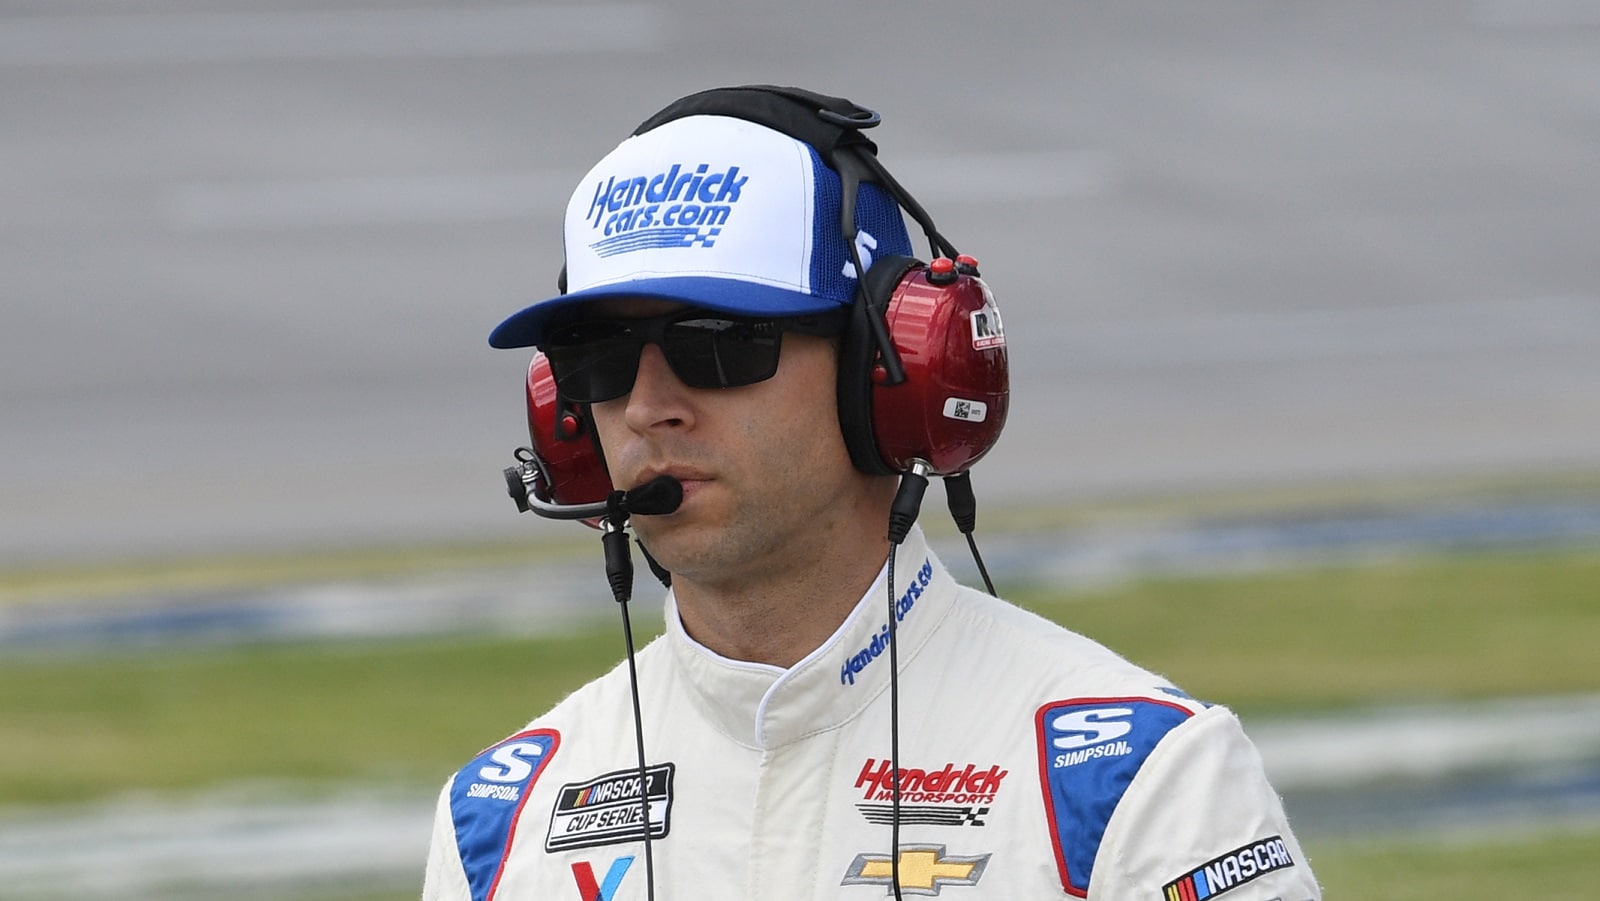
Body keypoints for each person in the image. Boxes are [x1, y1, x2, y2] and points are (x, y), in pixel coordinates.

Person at [422, 86, 1321, 901]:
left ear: (886, 372)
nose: (651, 407)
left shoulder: (1135, 785)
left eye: (717, 343)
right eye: (600, 360)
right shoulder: (500, 828)